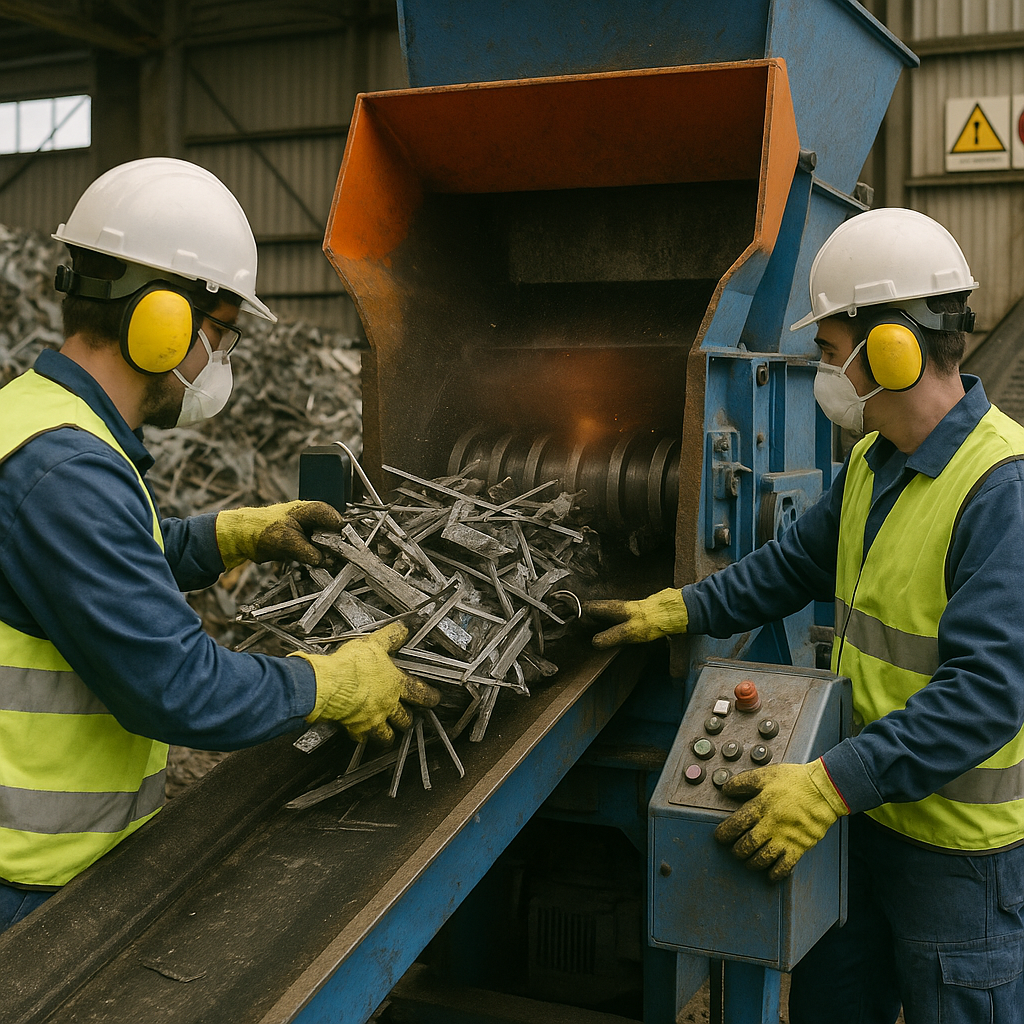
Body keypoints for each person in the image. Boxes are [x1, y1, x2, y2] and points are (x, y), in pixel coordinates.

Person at [586, 208, 1024, 1023]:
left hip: (957, 857)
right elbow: (792, 565)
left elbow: (987, 697)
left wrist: (825, 785)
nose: (823, 372)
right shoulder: (873, 461)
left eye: (829, 352)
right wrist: (679, 609)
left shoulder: (1000, 489)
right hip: (865, 822)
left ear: (890, 348)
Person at [0, 158, 438, 932]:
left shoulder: (38, 420)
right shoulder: (66, 467)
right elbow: (176, 687)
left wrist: (225, 535)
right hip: (24, 885)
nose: (220, 362)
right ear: (163, 319)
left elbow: (91, 574)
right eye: (223, 334)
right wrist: (327, 685)